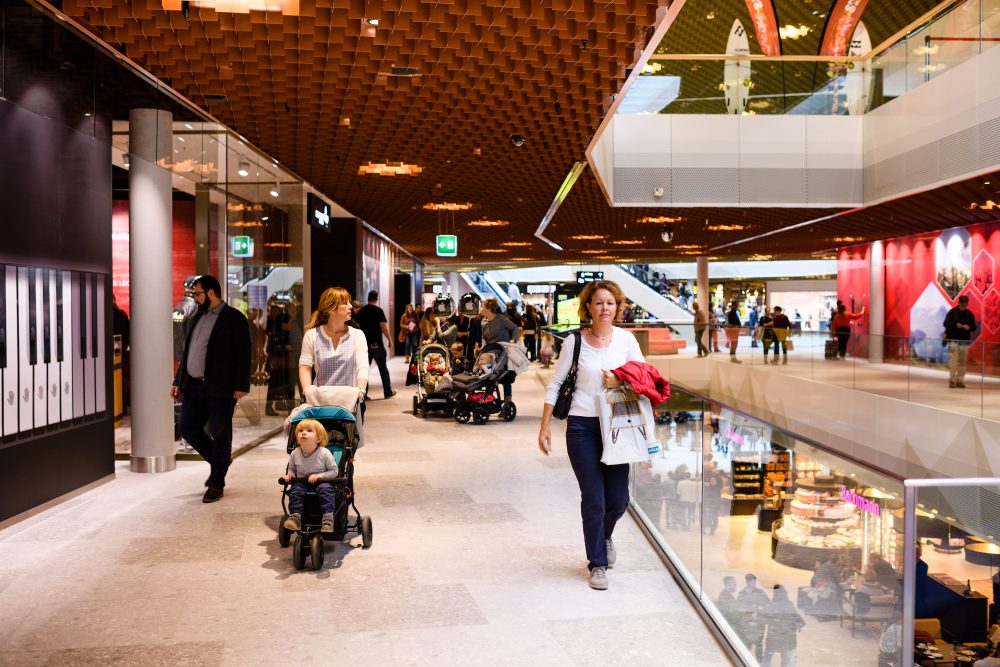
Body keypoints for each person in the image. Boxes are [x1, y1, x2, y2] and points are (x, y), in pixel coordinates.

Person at [538, 280, 644, 591]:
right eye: (599, 303)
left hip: (617, 427)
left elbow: (644, 378)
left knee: (619, 500)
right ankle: (597, 563)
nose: (605, 308)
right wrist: (544, 426)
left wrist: (620, 381)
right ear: (588, 307)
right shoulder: (575, 342)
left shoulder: (626, 341)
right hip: (582, 427)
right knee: (594, 500)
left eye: (610, 303)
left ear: (618, 307)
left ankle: (604, 534)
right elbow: (556, 384)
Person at [170, 275, 251, 503]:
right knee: (188, 428)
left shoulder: (234, 318)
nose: (194, 298)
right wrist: (178, 380)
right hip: (194, 385)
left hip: (221, 387)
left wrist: (241, 385)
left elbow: (244, 354)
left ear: (211, 293)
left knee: (220, 433)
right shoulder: (197, 317)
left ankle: (216, 483)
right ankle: (220, 461)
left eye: (197, 293)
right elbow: (189, 353)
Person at [298, 287, 369, 408]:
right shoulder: (312, 335)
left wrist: (361, 390)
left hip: (350, 403)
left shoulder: (358, 335)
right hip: (319, 404)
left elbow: (362, 366)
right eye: (345, 303)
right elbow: (305, 367)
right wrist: (307, 392)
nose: (350, 306)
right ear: (331, 309)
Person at [281, 418, 338, 533]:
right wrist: (289, 475)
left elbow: (334, 471)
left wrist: (319, 476)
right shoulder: (295, 453)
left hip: (321, 482)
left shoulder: (324, 453)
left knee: (326, 489)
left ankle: (327, 518)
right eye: (300, 430)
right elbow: (292, 468)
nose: (303, 432)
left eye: (309, 430)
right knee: (295, 490)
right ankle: (295, 517)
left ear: (319, 438)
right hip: (302, 482)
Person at [355, 290, 397, 400]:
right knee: (383, 369)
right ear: (376, 298)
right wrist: (390, 340)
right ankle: (387, 392)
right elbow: (383, 326)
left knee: (364, 369)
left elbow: (357, 327)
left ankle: (364, 394)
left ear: (368, 298)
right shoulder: (378, 311)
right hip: (376, 344)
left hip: (364, 345)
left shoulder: (362, 311)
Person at [480, 298, 517, 401]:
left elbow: (514, 328)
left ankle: (507, 403)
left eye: (483, 306)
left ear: (488, 309)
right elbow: (483, 337)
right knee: (489, 377)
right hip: (490, 353)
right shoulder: (483, 321)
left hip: (503, 351)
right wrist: (482, 348)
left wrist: (513, 341)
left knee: (505, 379)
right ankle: (488, 399)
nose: (481, 308)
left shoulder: (501, 319)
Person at [763, 585, 805, 667]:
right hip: (784, 636)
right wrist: (799, 624)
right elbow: (796, 617)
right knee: (783, 655)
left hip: (776, 636)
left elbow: (765, 618)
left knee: (769, 654)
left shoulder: (772, 605)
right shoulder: (788, 604)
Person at [943, 294, 977, 388]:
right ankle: (952, 380)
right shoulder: (952, 312)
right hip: (953, 339)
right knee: (953, 360)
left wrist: (969, 327)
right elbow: (945, 324)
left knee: (963, 361)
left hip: (964, 340)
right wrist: (955, 325)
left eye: (965, 304)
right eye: (962, 304)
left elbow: (974, 327)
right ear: (958, 303)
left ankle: (959, 380)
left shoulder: (969, 314)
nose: (963, 306)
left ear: (967, 304)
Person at [265, 304, 292, 415]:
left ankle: (278, 404)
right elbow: (270, 349)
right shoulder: (278, 335)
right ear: (283, 324)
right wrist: (285, 348)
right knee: (273, 386)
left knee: (279, 386)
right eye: (288, 322)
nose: (290, 325)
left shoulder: (284, 334)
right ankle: (269, 407)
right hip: (277, 365)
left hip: (280, 365)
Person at [737, 573, 770, 661]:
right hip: (747, 624)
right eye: (752, 581)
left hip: (759, 624)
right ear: (747, 582)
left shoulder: (760, 592)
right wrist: (754, 608)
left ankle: (759, 663)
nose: (754, 583)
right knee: (747, 646)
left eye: (755, 581)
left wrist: (759, 610)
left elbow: (768, 604)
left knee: (759, 645)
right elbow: (740, 608)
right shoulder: (742, 594)